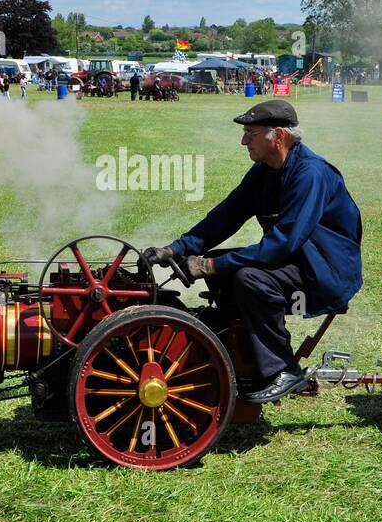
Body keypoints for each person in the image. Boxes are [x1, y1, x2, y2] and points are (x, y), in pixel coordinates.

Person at [145, 100, 363, 404]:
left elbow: (282, 243)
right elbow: (226, 216)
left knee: (249, 278)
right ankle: (236, 359)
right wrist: (176, 249)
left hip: (324, 272)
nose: (243, 141)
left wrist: (209, 265)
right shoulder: (265, 171)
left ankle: (283, 371)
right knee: (227, 269)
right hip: (298, 260)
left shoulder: (310, 174)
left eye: (251, 133)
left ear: (280, 136)